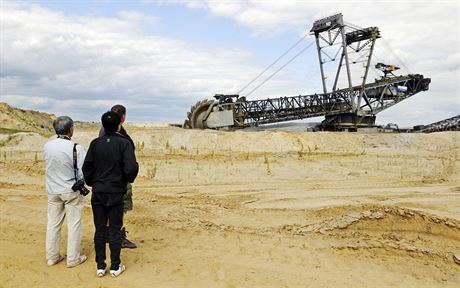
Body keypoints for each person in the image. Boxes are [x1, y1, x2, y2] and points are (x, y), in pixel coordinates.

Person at [83, 111, 139, 277]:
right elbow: (130, 170)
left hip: (99, 192)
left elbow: (87, 169)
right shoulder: (124, 143)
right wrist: (128, 175)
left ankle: (100, 266)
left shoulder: (95, 143)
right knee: (114, 230)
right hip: (115, 192)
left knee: (99, 229)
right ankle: (115, 266)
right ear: (119, 124)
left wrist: (95, 182)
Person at [43, 116, 87, 268]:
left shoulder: (47, 146)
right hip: (71, 190)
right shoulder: (76, 147)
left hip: (52, 190)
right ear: (71, 130)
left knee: (53, 224)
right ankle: (73, 259)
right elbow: (83, 169)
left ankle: (52, 257)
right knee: (74, 224)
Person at [99, 104, 137, 249]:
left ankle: (108, 234)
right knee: (119, 208)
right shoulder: (121, 136)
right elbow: (129, 161)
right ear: (123, 117)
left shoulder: (104, 131)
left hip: (104, 177)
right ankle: (118, 237)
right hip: (118, 178)